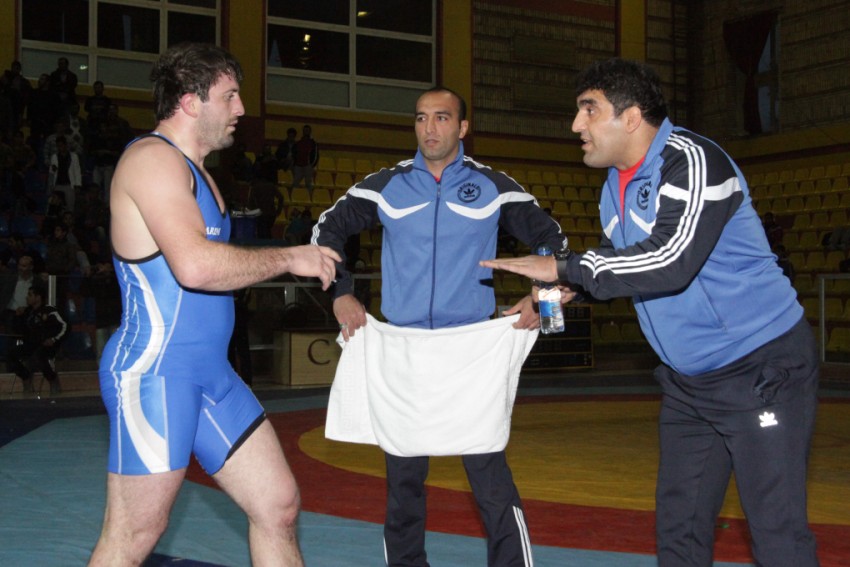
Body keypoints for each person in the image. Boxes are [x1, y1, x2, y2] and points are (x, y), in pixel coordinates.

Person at [481, 58, 819, 567]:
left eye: (589, 110)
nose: (575, 125)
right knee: (679, 529)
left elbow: (670, 261)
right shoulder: (613, 188)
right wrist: (565, 290)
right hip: (689, 383)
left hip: (758, 368)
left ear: (632, 117)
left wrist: (565, 266)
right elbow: (627, 264)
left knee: (777, 534)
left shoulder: (695, 160)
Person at [87, 42, 340, 567]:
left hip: (211, 375)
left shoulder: (198, 172)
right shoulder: (152, 160)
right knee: (133, 535)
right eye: (230, 96)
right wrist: (289, 256)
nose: (241, 109)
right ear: (189, 101)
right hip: (157, 372)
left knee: (278, 506)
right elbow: (196, 268)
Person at [313, 86, 566, 567]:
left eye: (442, 117)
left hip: (470, 352)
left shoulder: (494, 186)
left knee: (490, 479)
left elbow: (554, 242)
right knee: (403, 481)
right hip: (404, 352)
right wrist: (341, 292)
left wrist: (547, 305)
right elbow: (327, 230)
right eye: (421, 118)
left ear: (463, 127)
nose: (430, 128)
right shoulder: (385, 185)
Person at [6, 284, 67, 395]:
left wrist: (54, 339)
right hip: (32, 343)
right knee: (10, 354)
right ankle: (26, 377)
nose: (27, 298)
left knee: (39, 355)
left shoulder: (49, 310)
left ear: (38, 297)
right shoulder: (28, 312)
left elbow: (65, 325)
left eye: (30, 295)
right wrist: (17, 317)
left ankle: (53, 379)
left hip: (47, 344)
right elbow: (18, 330)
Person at [290, 124, 319, 192]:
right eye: (305, 130)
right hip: (298, 165)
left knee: (308, 184)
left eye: (307, 130)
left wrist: (312, 164)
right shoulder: (298, 143)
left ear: (310, 131)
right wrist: (295, 163)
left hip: (308, 165)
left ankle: (309, 196)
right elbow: (294, 153)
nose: (306, 132)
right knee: (295, 183)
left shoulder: (313, 143)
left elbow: (316, 155)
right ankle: (293, 195)